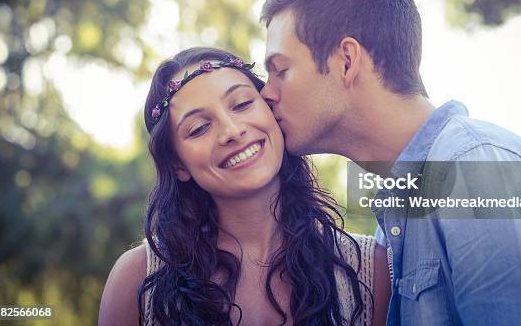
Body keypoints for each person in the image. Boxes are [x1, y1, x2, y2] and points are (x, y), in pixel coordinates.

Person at [260, 0, 521, 325]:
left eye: (281, 70)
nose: (267, 93)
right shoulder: (400, 213)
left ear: (346, 60)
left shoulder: (483, 173)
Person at [98, 47, 390, 325]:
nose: (232, 131)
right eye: (199, 128)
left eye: (242, 104)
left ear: (271, 110)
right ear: (178, 165)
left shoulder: (369, 270)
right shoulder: (137, 280)